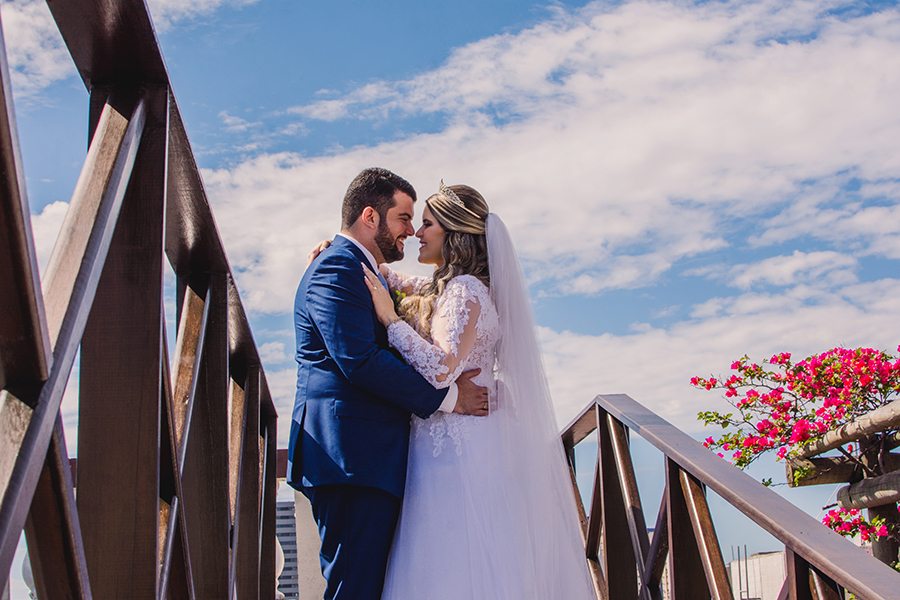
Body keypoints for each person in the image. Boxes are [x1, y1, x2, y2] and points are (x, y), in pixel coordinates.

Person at [361, 182, 597, 599]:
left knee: (456, 559)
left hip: (458, 450)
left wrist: (389, 319)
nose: (418, 232)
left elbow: (440, 370)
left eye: (428, 224)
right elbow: (399, 279)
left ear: (452, 234)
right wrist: (347, 251)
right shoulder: (454, 286)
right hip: (463, 439)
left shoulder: (465, 290)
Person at [287, 168, 490, 600]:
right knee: (354, 589)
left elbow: (425, 293)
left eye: (420, 222)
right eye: (403, 218)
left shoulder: (368, 270)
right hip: (350, 457)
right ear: (371, 217)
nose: (411, 230)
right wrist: (450, 398)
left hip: (370, 458)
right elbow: (360, 360)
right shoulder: (338, 268)